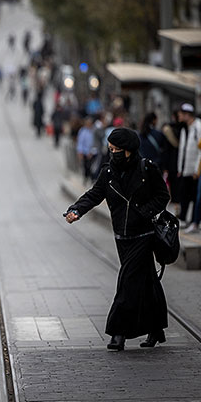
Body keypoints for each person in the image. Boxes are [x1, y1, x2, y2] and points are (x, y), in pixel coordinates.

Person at [64, 128, 170, 350]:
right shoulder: (109, 172)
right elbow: (94, 194)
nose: (112, 153)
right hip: (122, 237)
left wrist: (144, 212)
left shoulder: (146, 168)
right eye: (110, 149)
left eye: (116, 150)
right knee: (147, 281)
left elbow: (163, 196)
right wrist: (77, 210)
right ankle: (156, 329)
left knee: (127, 281)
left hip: (143, 235)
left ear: (129, 151)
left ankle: (118, 332)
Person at [177, 103, 201, 226]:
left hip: (195, 169)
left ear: (187, 115)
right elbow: (182, 150)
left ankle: (193, 221)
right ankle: (184, 218)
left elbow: (200, 150)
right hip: (185, 168)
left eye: (181, 114)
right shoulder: (184, 129)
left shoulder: (198, 127)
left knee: (194, 196)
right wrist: (179, 167)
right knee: (184, 193)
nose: (179, 116)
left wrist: (197, 169)